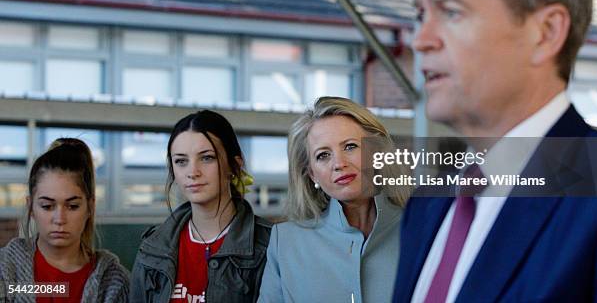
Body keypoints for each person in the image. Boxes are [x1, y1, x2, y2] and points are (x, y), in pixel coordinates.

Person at [393, 0, 597, 303]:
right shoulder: (429, 202)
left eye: (451, 11)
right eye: (420, 14)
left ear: (545, 33)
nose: (420, 40)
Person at [259, 96, 409, 303]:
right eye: (323, 155)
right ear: (312, 174)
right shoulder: (285, 242)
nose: (338, 163)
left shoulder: (419, 231)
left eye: (350, 146)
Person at [130, 110, 272, 303]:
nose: (192, 172)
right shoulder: (153, 246)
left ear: (234, 166)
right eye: (181, 161)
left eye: (207, 158)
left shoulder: (270, 245)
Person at [0, 138, 129, 302]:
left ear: (90, 207)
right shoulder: (7, 271)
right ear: (31, 206)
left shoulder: (113, 284)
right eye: (47, 206)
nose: (59, 219)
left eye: (72, 206)